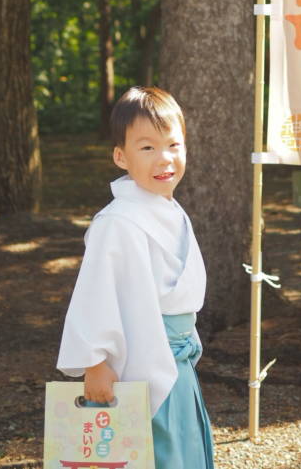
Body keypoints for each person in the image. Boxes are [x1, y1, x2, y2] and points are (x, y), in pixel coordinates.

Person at [56, 86, 215, 469]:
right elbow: (97, 292)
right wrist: (95, 362)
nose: (164, 159)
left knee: (181, 450)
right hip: (139, 359)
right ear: (120, 156)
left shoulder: (172, 212)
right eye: (147, 148)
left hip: (177, 360)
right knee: (152, 453)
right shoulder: (117, 221)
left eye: (174, 145)